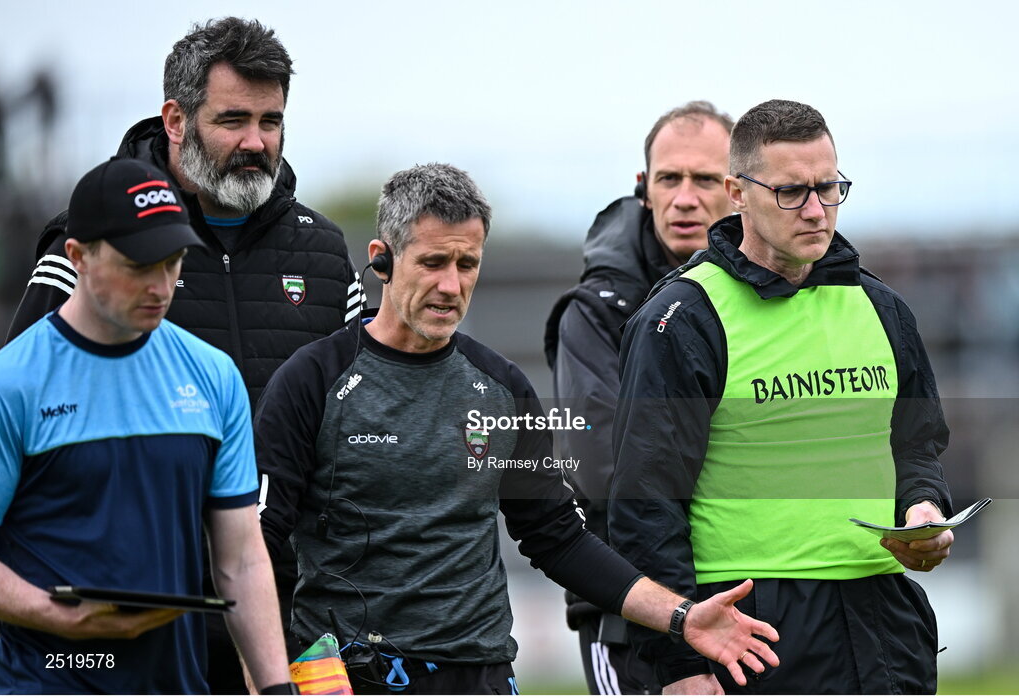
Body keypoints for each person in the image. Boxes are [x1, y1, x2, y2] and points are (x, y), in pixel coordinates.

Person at [254, 163, 779, 694]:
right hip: (348, 675)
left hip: (481, 673)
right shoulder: (312, 380)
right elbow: (260, 548)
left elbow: (559, 539)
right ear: (382, 261)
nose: (450, 285)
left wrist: (681, 616)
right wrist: (282, 677)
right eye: (433, 262)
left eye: (467, 263)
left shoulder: (502, 386)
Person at [3, 18, 363, 691]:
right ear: (176, 119)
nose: (257, 143)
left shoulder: (322, 252)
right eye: (233, 120)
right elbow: (28, 418)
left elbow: (360, 432)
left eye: (271, 120)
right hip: (122, 627)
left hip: (294, 617)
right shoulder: (94, 242)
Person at [609, 99, 954, 694]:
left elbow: (917, 447)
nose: (818, 210)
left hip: (881, 627)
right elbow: (645, 507)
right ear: (737, 192)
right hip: (747, 632)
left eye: (829, 188)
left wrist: (922, 510)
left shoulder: (883, 308)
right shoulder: (681, 319)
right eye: (792, 191)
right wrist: (680, 665)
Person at [0, 158, 293, 694]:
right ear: (78, 257)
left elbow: (242, 558)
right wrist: (59, 615)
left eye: (173, 261)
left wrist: (276, 688)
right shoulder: (11, 383)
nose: (162, 284)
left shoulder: (210, 374)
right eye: (139, 264)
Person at [544, 100, 733, 694]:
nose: (685, 197)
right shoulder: (594, 314)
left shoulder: (767, 300)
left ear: (739, 190)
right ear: (642, 189)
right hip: (630, 619)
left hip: (741, 598)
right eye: (668, 179)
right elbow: (604, 469)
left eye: (705, 180)